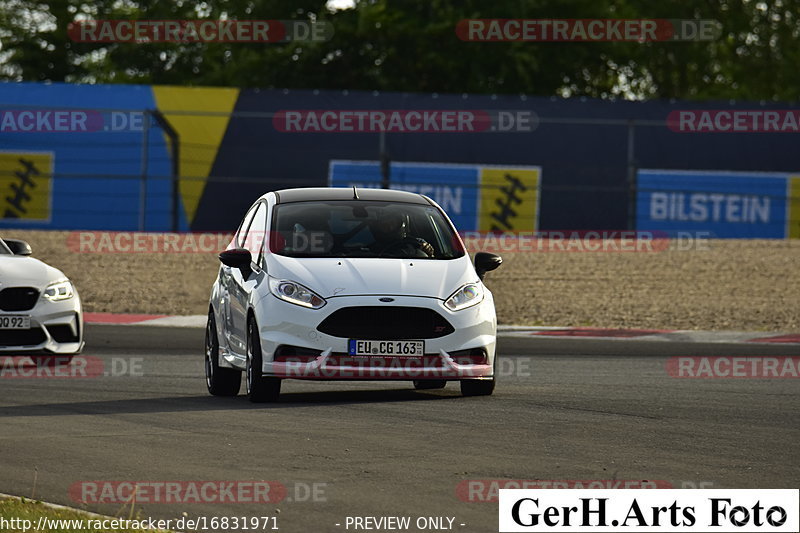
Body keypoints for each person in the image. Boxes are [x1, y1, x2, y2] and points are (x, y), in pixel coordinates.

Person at [369, 208, 435, 257]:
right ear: (378, 227)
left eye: (393, 223)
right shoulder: (370, 250)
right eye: (385, 225)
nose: (390, 227)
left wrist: (428, 251)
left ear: (402, 223)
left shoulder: (417, 244)